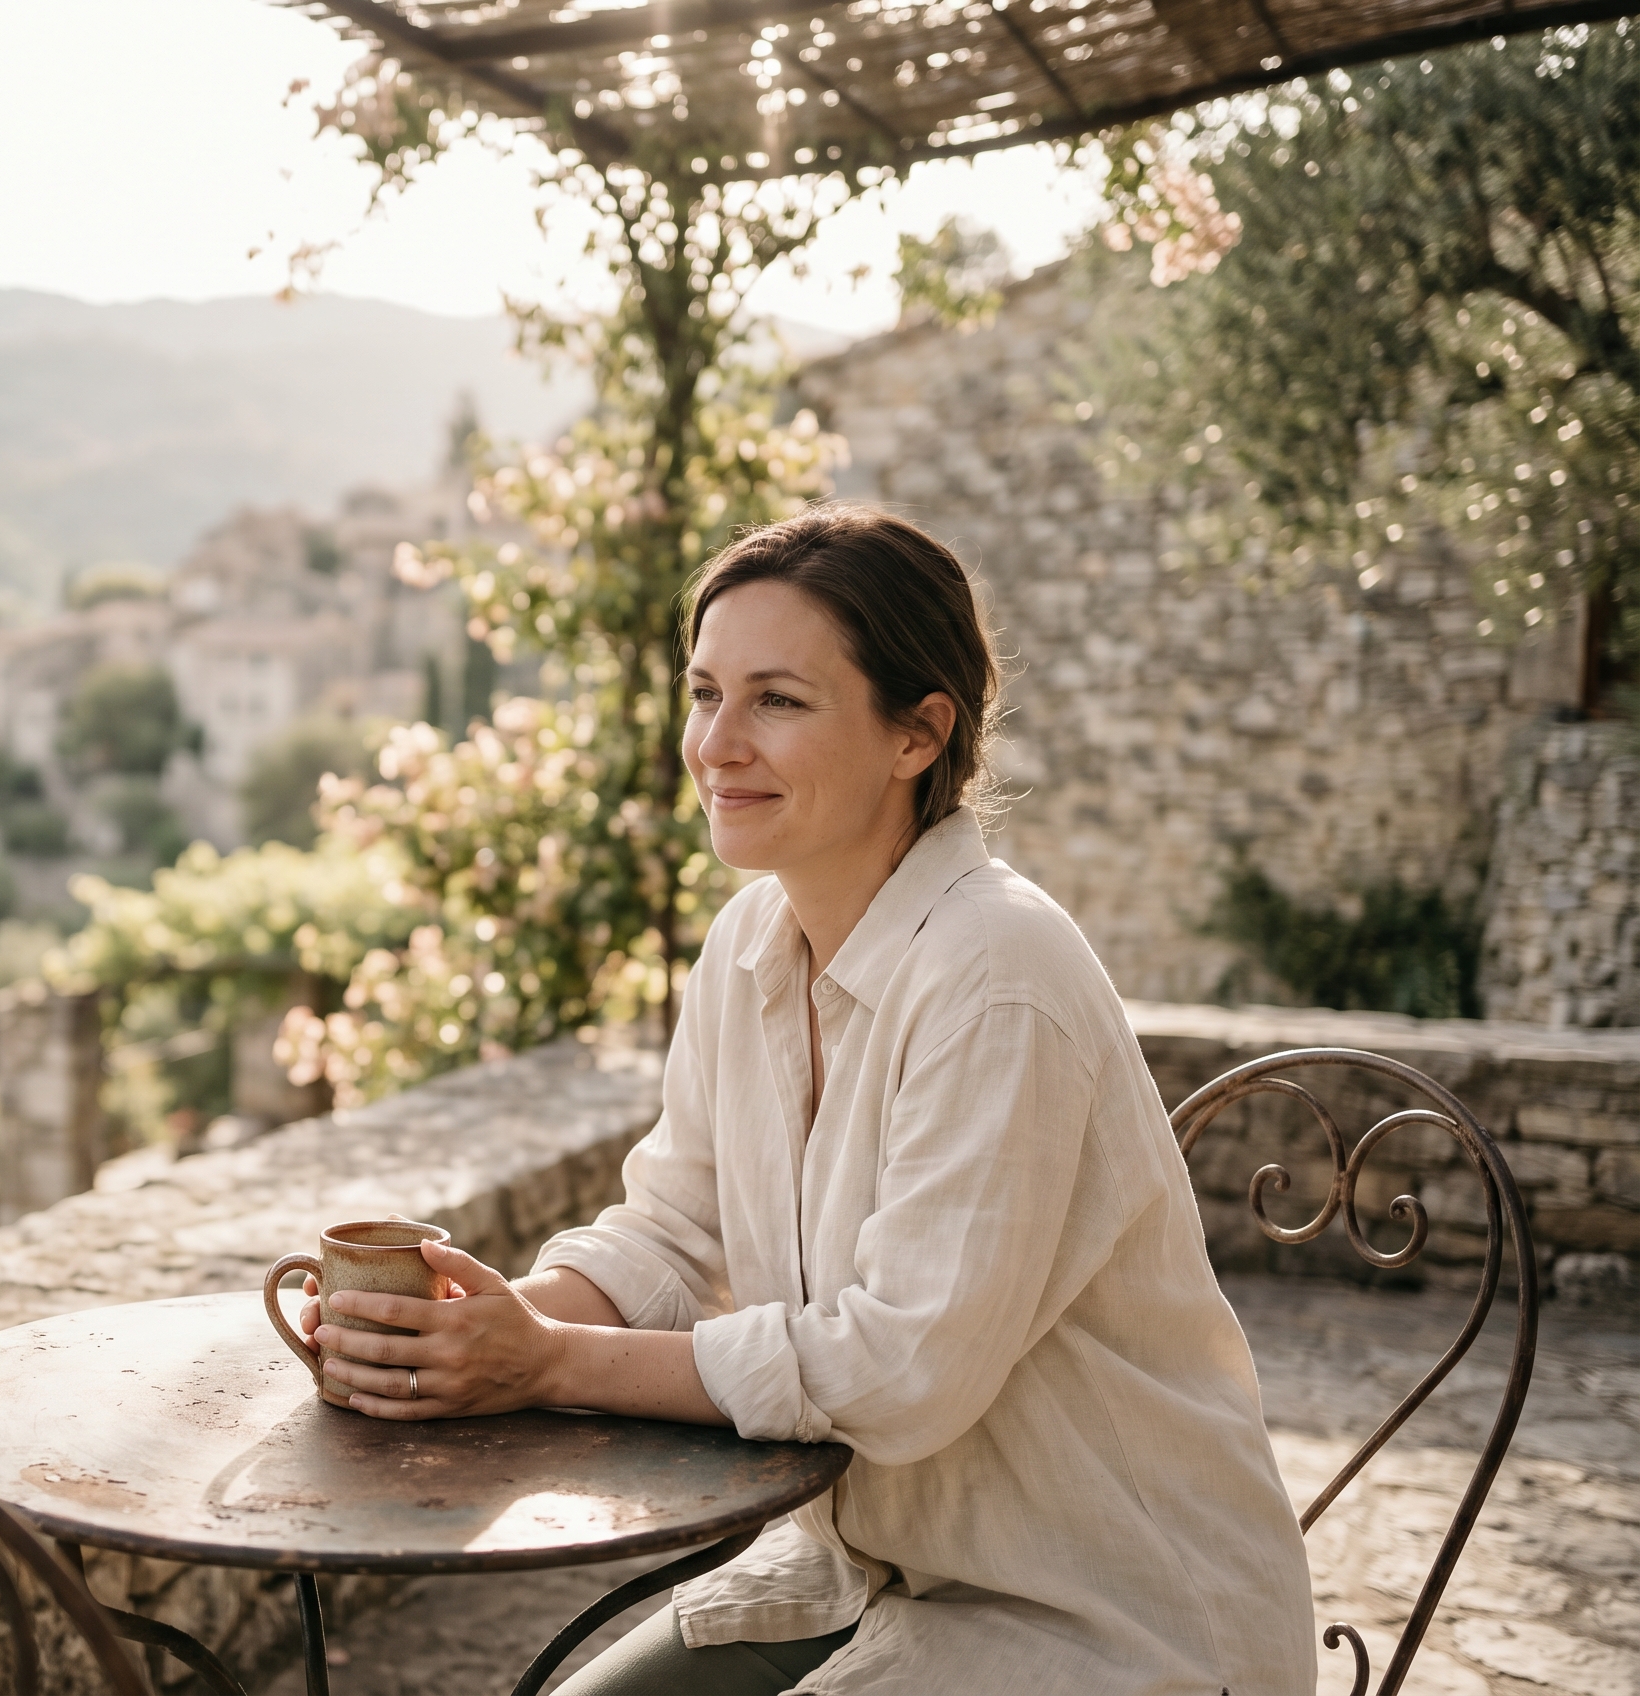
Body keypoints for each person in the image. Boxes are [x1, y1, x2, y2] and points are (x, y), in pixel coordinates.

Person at [300, 507, 1315, 1694]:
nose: (716, 744)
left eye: (776, 700)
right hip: (866, 1569)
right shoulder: (748, 942)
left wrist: (545, 1365)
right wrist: (484, 1329)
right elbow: (673, 1231)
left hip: (1106, 1615)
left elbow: (899, 1368)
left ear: (916, 733)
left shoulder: (998, 975)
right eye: (703, 693)